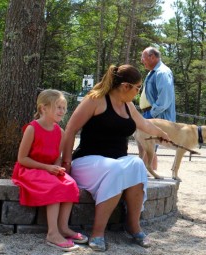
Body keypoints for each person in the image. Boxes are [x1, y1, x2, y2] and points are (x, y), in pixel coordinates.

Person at [62, 64, 170, 252]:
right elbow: (71, 129)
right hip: (87, 161)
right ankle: (97, 232)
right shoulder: (95, 99)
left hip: (115, 164)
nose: (138, 92)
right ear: (125, 86)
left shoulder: (128, 105)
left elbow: (143, 123)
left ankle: (133, 226)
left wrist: (162, 133)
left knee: (136, 163)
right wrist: (66, 162)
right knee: (115, 168)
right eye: (138, 88)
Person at [12, 89, 88, 252]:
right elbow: (22, 158)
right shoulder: (32, 129)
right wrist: (48, 168)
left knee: (70, 184)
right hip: (29, 169)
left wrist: (58, 167)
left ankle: (63, 227)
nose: (62, 111)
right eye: (58, 107)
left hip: (48, 169)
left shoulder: (59, 132)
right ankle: (52, 233)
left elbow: (56, 157)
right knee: (54, 186)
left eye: (63, 107)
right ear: (43, 108)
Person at [139, 46, 176, 170]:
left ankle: (143, 176)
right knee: (149, 147)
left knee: (147, 147)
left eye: (143, 57)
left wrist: (151, 114)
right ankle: (150, 173)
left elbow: (164, 100)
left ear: (152, 57)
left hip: (155, 116)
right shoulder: (154, 72)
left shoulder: (162, 72)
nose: (141, 60)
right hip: (151, 114)